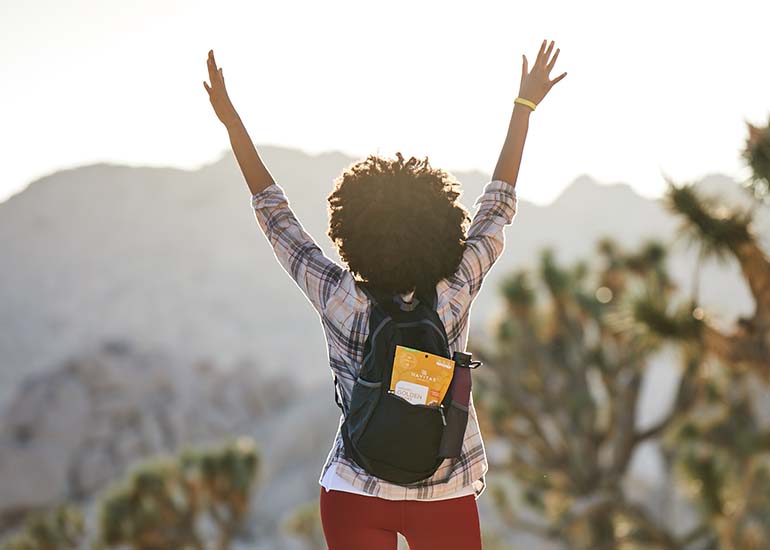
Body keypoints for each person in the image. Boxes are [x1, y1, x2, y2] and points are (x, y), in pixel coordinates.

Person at [204, 39, 566, 550]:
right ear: (441, 223)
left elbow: (274, 215)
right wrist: (523, 107)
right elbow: (497, 204)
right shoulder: (455, 288)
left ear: (350, 230)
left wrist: (231, 122)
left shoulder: (338, 295)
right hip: (445, 487)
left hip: (356, 488)